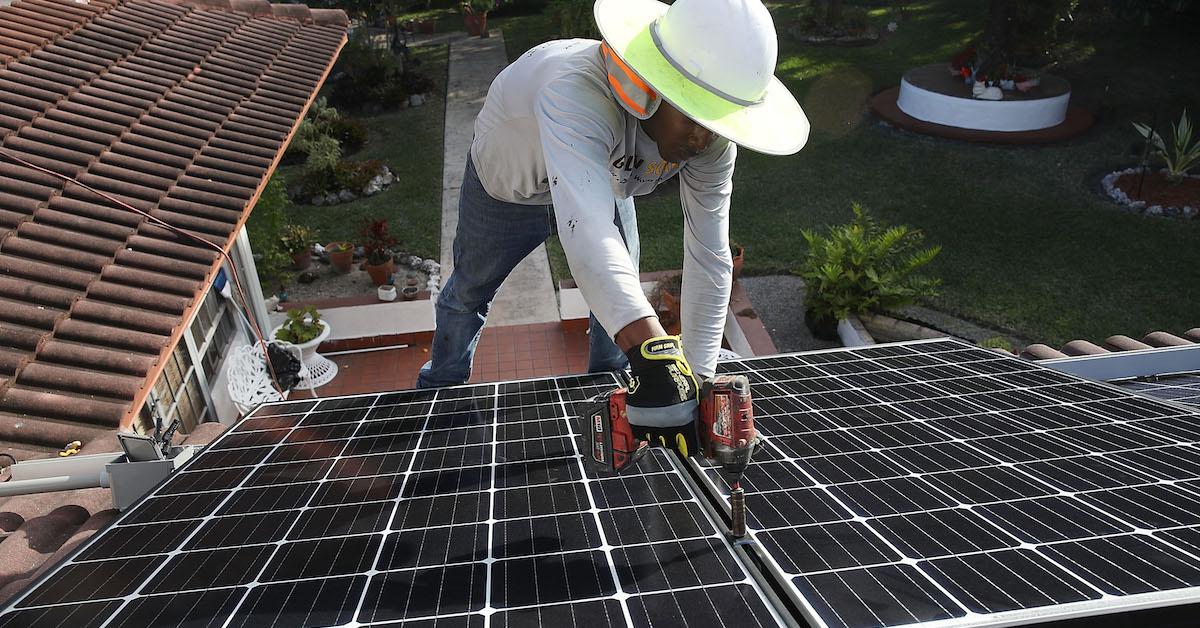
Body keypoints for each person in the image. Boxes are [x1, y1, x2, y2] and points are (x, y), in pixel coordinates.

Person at [418, 0, 809, 451]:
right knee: (469, 291)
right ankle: (439, 393)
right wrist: (654, 352)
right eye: (693, 116)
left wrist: (697, 380)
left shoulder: (711, 141)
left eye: (716, 122)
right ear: (652, 87)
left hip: (601, 185)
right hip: (509, 189)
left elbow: (709, 254)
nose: (702, 139)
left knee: (620, 297)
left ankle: (608, 390)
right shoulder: (574, 88)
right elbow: (585, 228)